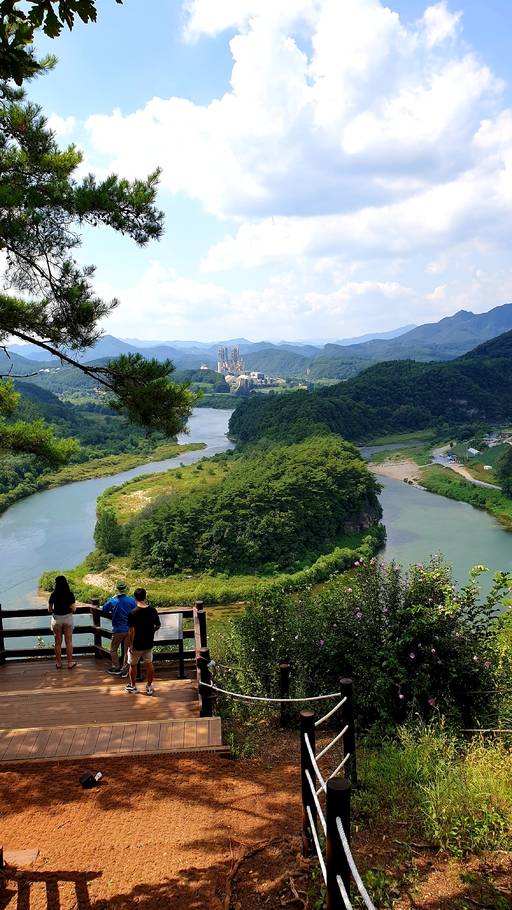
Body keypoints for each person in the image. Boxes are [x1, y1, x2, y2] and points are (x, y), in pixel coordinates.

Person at [126, 588, 161, 696]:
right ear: (145, 597)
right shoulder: (152, 610)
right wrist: (151, 631)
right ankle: (149, 686)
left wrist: (130, 644)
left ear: (135, 598)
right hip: (148, 643)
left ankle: (133, 686)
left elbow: (131, 631)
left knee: (132, 665)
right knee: (149, 664)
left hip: (136, 644)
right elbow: (158, 625)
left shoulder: (132, 613)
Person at [99, 581, 136, 676]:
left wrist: (111, 598)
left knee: (113, 649)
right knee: (127, 649)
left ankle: (116, 667)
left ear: (117, 590)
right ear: (126, 589)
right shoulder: (131, 600)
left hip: (118, 630)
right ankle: (125, 668)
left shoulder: (113, 601)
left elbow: (104, 609)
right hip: (129, 629)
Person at [48, 575, 76, 669]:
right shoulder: (70, 594)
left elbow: (49, 609)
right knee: (68, 642)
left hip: (56, 619)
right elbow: (74, 609)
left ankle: (59, 663)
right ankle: (69, 663)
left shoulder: (53, 594)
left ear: (56, 584)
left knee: (57, 643)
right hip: (67, 618)